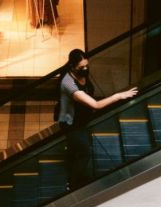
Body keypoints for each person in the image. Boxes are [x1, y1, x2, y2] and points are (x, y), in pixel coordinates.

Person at [57, 49, 138, 191]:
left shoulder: (81, 74)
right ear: (72, 66)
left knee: (76, 147)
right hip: (72, 123)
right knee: (85, 152)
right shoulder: (68, 83)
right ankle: (72, 184)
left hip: (83, 117)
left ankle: (71, 154)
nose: (86, 69)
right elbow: (95, 105)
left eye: (87, 65)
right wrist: (118, 96)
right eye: (81, 67)